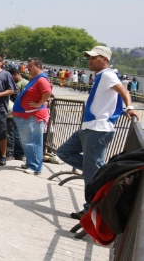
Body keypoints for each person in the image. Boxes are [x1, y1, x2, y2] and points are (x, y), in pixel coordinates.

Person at [56, 46, 138, 219]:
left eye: (94, 58)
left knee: (91, 172)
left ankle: (91, 210)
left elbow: (123, 91)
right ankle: (101, 173)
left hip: (98, 129)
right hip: (89, 128)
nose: (90, 60)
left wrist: (130, 107)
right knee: (64, 152)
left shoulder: (108, 75)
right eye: (90, 58)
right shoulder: (102, 76)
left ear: (105, 60)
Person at [12, 58, 52, 175]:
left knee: (33, 141)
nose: (27, 68)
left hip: (33, 116)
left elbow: (47, 92)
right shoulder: (34, 79)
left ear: (38, 66)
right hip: (27, 116)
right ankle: (31, 163)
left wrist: (39, 104)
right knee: (26, 141)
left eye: (30, 66)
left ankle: (35, 167)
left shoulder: (41, 79)